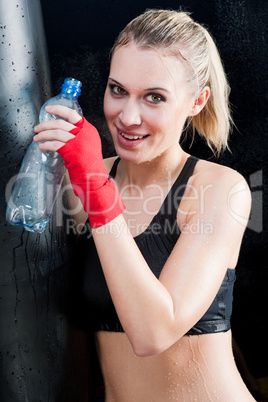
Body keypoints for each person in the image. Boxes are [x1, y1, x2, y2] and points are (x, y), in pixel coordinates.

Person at [33, 8, 254, 401]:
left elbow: (153, 332)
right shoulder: (81, 182)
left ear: (196, 102)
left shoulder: (221, 189)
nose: (127, 116)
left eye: (154, 97)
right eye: (118, 90)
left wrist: (93, 184)